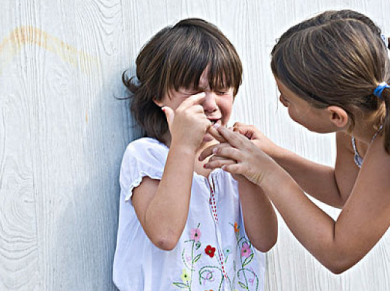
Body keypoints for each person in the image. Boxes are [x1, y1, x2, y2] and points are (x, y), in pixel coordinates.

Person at [202, 10, 390, 290]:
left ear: (335, 115)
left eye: (287, 100)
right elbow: (343, 192)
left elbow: (338, 253)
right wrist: (273, 154)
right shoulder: (361, 117)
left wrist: (268, 174)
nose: (280, 100)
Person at [113, 18, 277, 291]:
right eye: (194, 90)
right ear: (157, 94)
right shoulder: (146, 156)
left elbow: (265, 240)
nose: (211, 104)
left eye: (222, 89)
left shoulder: (235, 162)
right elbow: (164, 235)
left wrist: (248, 173)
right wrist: (184, 146)